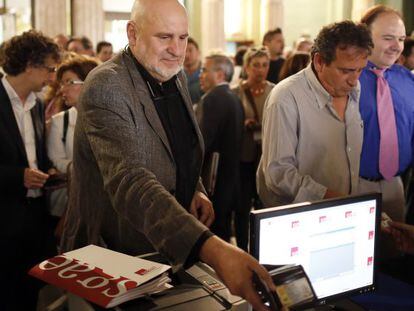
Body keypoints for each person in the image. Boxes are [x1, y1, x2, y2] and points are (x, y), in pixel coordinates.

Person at [61, 0, 274, 309]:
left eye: (183, 37)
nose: (177, 49)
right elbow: (130, 180)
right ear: (132, 33)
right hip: (114, 253)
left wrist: (193, 187)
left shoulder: (170, 74)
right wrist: (213, 247)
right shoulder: (107, 85)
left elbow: (179, 144)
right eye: (164, 37)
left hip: (163, 249)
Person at [257, 21, 373, 207]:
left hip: (345, 212)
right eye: (347, 71)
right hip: (298, 220)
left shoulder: (354, 89)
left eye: (360, 70)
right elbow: (278, 174)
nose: (354, 79)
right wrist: (332, 198)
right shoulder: (286, 97)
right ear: (319, 61)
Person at [0, 30, 60, 310]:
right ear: (29, 65)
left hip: (34, 220)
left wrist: (49, 172)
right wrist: (18, 176)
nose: (52, 77)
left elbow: (34, 157)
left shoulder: (37, 105)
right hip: (4, 220)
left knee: (30, 296)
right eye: (49, 69)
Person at [358, 6, 414, 230]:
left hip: (396, 186)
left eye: (401, 39)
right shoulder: (346, 79)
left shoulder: (407, 81)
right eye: (388, 38)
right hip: (353, 186)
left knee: (395, 256)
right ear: (364, 36)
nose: (397, 46)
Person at [198, 53, 244, 242]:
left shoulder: (212, 98)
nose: (201, 75)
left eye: (204, 70)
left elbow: (202, 143)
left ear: (219, 74)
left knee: (213, 235)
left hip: (214, 180)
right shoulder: (234, 97)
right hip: (231, 178)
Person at [232, 46, 274, 251]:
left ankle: (262, 251)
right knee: (241, 208)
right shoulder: (236, 92)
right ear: (247, 67)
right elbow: (229, 124)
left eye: (265, 65)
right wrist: (242, 123)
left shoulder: (275, 91)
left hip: (266, 158)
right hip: (243, 157)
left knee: (264, 206)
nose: (260, 70)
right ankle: (241, 249)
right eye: (256, 65)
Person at [47, 56, 98, 219]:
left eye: (69, 82)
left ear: (89, 81)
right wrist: (90, 168)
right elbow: (56, 159)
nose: (62, 89)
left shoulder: (109, 118)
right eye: (61, 83)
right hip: (68, 202)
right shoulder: (60, 121)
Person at [184, 37, 203, 105]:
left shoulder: (206, 73)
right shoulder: (176, 76)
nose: (186, 55)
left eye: (190, 50)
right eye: (184, 51)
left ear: (198, 52)